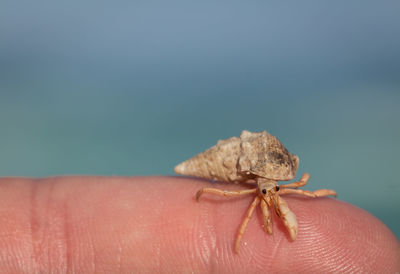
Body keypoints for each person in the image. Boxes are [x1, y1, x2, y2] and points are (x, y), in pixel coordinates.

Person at [0, 176, 398, 273]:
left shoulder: (273, 189)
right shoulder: (252, 197)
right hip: (247, 185)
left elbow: (303, 188)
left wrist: (311, 192)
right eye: (269, 195)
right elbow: (237, 208)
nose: (272, 202)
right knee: (247, 218)